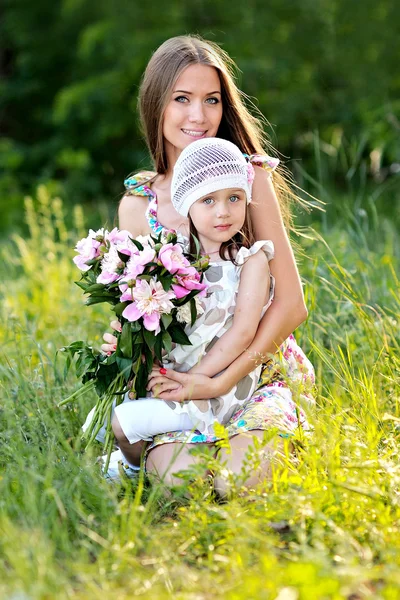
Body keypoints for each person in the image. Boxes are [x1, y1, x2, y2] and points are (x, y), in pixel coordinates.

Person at [101, 34, 315, 496]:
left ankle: (267, 432)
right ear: (155, 105)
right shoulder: (140, 205)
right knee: (184, 483)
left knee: (240, 482)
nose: (199, 116)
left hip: (255, 370)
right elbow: (148, 311)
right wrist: (126, 343)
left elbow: (292, 306)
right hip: (182, 378)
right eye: (182, 99)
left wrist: (217, 382)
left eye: (212, 100)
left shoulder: (247, 177)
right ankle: (134, 459)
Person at [108, 137, 275, 454]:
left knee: (122, 422)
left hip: (216, 391)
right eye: (208, 201)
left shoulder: (251, 261)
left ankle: (130, 471)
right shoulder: (175, 258)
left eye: (234, 198)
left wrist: (194, 381)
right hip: (179, 378)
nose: (224, 211)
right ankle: (134, 465)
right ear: (187, 206)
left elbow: (242, 333)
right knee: (110, 417)